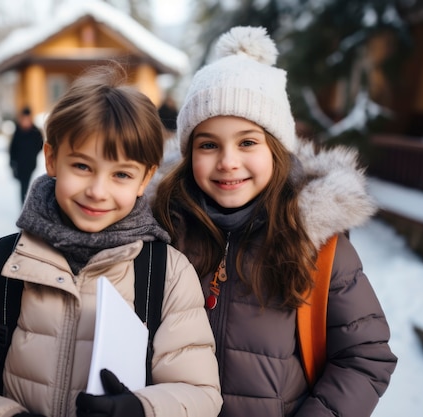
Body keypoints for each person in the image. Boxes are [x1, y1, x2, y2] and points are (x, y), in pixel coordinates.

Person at [0, 64, 222, 417]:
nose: (97, 191)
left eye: (121, 174)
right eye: (82, 166)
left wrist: (143, 410)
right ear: (51, 158)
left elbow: (200, 393)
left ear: (144, 179)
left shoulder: (166, 274)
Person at [152, 26, 397, 417]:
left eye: (247, 142)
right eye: (208, 144)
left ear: (277, 151)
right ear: (188, 154)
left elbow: (365, 357)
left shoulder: (318, 246)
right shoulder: (162, 231)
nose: (228, 161)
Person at [9, 106, 44, 204]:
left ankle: (26, 204)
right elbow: (12, 148)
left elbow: (40, 145)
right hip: (19, 164)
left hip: (30, 163)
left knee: (27, 185)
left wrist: (32, 154)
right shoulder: (18, 131)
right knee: (23, 186)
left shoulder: (35, 132)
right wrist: (12, 162)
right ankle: (24, 204)